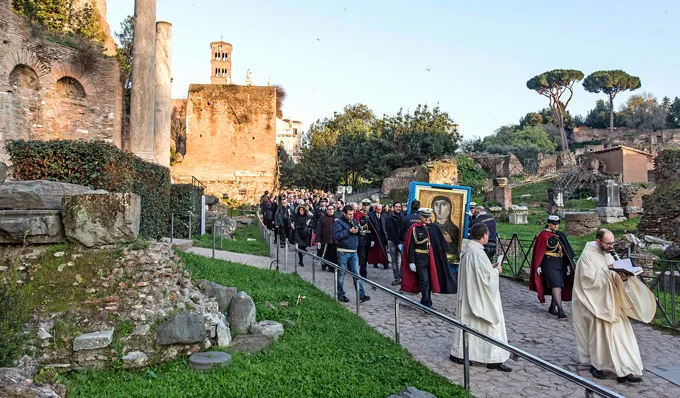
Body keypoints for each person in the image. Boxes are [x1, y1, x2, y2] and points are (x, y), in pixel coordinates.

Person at [572, 229, 655, 383]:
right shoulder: (587, 256)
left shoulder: (608, 253)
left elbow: (613, 276)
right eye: (608, 243)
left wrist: (623, 277)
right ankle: (598, 366)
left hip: (613, 303)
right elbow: (588, 281)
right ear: (598, 242)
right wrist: (608, 272)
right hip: (597, 304)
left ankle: (626, 369)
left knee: (624, 338)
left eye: (612, 243)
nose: (611, 246)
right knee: (599, 339)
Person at [450, 223, 512, 372]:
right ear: (484, 236)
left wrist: (490, 267)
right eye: (487, 235)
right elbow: (486, 280)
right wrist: (496, 270)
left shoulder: (470, 250)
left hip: (470, 294)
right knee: (490, 326)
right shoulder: (477, 253)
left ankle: (461, 353)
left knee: (469, 325)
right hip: (479, 298)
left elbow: (479, 272)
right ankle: (492, 359)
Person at [529, 215, 576, 319]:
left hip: (561, 263)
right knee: (556, 285)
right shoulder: (543, 235)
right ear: (549, 223)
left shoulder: (560, 235)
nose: (556, 226)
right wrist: (538, 265)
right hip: (548, 263)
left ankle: (552, 307)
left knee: (560, 285)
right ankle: (560, 310)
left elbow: (566, 251)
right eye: (553, 224)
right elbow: (539, 252)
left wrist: (568, 264)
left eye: (557, 223)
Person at [332, 205, 370, 303]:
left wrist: (359, 231)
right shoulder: (338, 223)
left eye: (352, 214)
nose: (351, 216)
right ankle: (340, 294)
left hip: (353, 252)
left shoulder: (353, 220)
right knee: (341, 274)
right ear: (344, 213)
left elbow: (358, 231)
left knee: (356, 274)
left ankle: (361, 295)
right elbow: (337, 236)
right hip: (343, 251)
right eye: (349, 214)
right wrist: (348, 231)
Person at [385, 202, 404, 285]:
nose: (398, 208)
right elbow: (391, 231)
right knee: (394, 261)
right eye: (396, 206)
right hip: (393, 241)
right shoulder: (389, 218)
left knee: (403, 260)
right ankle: (397, 278)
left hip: (401, 241)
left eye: (399, 206)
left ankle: (402, 276)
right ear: (393, 207)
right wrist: (398, 242)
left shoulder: (403, 216)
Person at [316, 204, 337, 272]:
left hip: (334, 241)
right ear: (327, 210)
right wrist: (318, 240)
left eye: (332, 209)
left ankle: (332, 268)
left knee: (333, 255)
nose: (331, 210)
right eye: (329, 209)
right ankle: (324, 265)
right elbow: (319, 229)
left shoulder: (336, 218)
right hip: (325, 240)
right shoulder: (322, 218)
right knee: (325, 254)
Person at [368, 204, 389, 269]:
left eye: (381, 209)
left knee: (383, 250)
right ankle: (375, 263)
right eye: (378, 209)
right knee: (375, 250)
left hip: (382, 235)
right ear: (376, 209)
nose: (380, 211)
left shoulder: (384, 215)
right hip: (375, 235)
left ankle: (385, 264)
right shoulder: (371, 216)